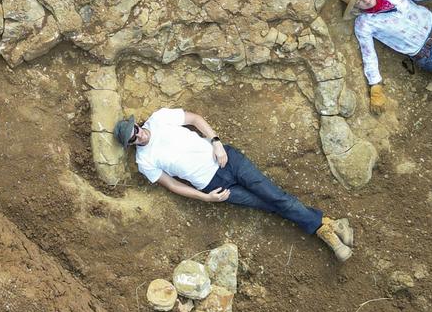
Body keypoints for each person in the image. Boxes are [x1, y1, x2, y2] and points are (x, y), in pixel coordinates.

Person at [114, 108, 356, 262]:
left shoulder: (158, 119)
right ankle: (330, 224)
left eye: (135, 130)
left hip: (228, 160)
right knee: (269, 205)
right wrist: (206, 198)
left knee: (276, 197)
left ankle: (327, 232)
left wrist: (216, 142)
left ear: (137, 124)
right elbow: (172, 185)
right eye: (133, 139)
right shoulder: (144, 161)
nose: (138, 135)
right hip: (213, 187)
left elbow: (195, 119)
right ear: (131, 144)